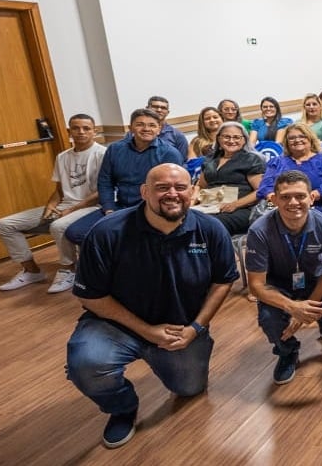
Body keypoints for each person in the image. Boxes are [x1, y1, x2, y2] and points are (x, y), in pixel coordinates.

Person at [66, 163, 238, 448]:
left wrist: (196, 328)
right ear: (144, 192)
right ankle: (122, 408)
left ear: (193, 192)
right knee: (86, 364)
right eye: (162, 188)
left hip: (179, 327)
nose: (172, 194)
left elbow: (223, 281)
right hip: (116, 324)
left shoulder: (210, 229)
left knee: (189, 389)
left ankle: (171, 359)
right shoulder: (107, 232)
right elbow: (90, 296)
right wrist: (147, 331)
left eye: (180, 187)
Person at [0, 114, 107, 293]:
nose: (81, 132)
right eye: (76, 128)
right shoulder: (62, 156)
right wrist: (50, 206)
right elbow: (60, 189)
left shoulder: (103, 154)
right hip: (65, 205)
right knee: (4, 224)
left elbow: (103, 191)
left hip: (91, 207)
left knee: (58, 226)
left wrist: (71, 209)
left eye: (86, 128)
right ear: (69, 131)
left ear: (95, 131)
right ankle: (32, 271)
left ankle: (69, 270)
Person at [246, 170, 322, 384]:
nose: (293, 202)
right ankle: (287, 351)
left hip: (317, 282)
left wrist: (308, 308)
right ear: (274, 199)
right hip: (279, 286)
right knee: (270, 319)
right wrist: (293, 308)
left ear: (312, 198)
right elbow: (256, 286)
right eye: (285, 197)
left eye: (300, 196)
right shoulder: (259, 231)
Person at [64, 109, 184, 247]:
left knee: (131, 236)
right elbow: (105, 182)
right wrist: (109, 208)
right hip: (119, 207)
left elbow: (172, 190)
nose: (146, 129)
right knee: (75, 232)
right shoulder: (115, 149)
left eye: (152, 125)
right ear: (130, 128)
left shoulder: (169, 153)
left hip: (150, 210)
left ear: (159, 129)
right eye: (140, 124)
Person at [195, 122, 265, 235]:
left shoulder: (252, 159)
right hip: (209, 206)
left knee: (209, 224)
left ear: (244, 140)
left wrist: (234, 205)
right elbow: (201, 186)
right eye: (227, 137)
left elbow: (260, 191)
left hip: (240, 209)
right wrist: (192, 202)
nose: (231, 141)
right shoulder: (210, 159)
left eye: (237, 137)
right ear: (218, 139)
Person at [256, 123, 322, 210]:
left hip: (313, 207)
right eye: (292, 138)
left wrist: (311, 196)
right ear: (286, 142)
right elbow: (265, 186)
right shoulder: (277, 162)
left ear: (311, 139)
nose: (297, 140)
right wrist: (274, 198)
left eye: (302, 136)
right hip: (280, 207)